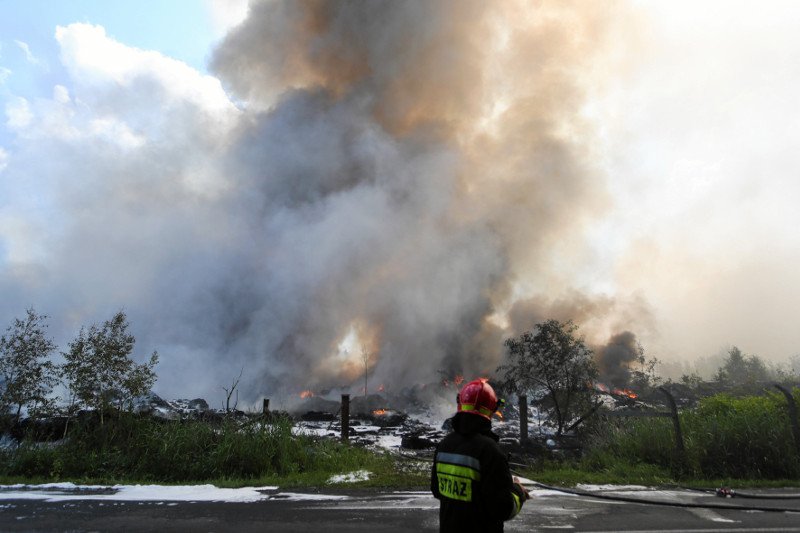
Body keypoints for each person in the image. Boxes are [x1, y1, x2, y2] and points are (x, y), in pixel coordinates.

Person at [431, 378, 530, 532]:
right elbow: (503, 510)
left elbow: (437, 491)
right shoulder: (490, 452)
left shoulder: (444, 445)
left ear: (461, 404)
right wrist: (518, 492)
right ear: (491, 410)